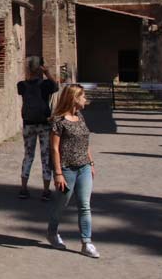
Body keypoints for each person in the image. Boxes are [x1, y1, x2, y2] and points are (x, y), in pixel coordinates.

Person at [46, 84, 100, 258]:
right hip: (67, 169)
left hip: (83, 167)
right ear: (74, 98)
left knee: (85, 205)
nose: (86, 100)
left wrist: (91, 162)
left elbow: (85, 143)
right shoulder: (58, 121)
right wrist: (58, 173)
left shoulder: (80, 117)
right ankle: (52, 233)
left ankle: (87, 242)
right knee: (62, 204)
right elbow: (54, 149)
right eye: (83, 96)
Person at [17, 57, 59, 200]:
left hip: (28, 123)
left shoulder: (21, 85)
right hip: (44, 124)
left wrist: (28, 73)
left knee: (28, 155)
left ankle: (23, 188)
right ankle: (46, 191)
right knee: (46, 157)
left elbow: (26, 88)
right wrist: (47, 72)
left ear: (28, 68)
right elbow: (56, 86)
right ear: (40, 68)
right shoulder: (46, 85)